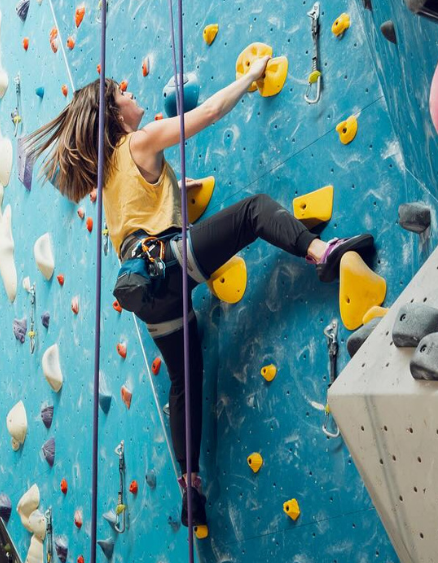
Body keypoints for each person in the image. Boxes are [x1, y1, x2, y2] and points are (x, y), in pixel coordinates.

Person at [25, 56, 374, 529]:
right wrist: (249, 79)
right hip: (168, 263)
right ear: (115, 111)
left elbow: (146, 206)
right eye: (123, 92)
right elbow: (207, 114)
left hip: (150, 297)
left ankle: (190, 487)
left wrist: (175, 189)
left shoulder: (108, 180)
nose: (131, 94)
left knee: (184, 381)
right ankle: (322, 254)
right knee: (253, 212)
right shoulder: (139, 142)